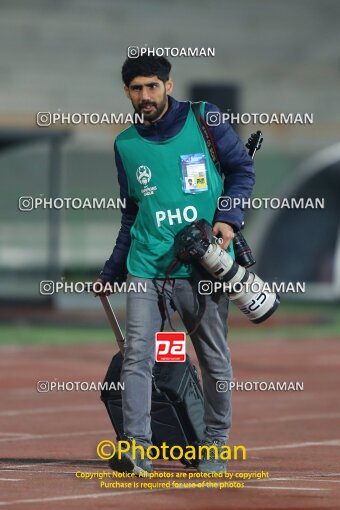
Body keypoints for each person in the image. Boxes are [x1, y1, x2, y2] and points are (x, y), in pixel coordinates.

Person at [95, 55, 255, 474]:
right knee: (138, 357)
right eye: (136, 89)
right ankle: (137, 448)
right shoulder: (125, 145)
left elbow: (242, 169)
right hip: (146, 267)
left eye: (152, 86)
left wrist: (228, 219)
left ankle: (216, 445)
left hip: (203, 266)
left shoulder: (205, 119)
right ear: (126, 92)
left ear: (169, 85)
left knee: (213, 357)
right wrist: (112, 270)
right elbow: (131, 214)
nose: (144, 96)